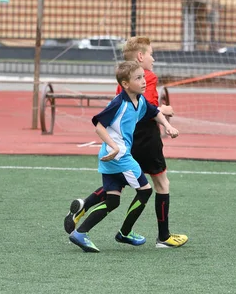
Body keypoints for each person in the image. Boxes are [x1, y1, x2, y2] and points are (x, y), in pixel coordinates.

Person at [65, 37, 188, 249]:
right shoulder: (130, 94)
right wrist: (163, 111)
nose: (145, 80)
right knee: (152, 188)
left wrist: (166, 125)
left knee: (114, 196)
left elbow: (149, 109)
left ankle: (82, 224)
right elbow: (99, 123)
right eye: (150, 54)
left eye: (144, 78)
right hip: (129, 148)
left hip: (120, 150)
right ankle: (148, 235)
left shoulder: (134, 97)